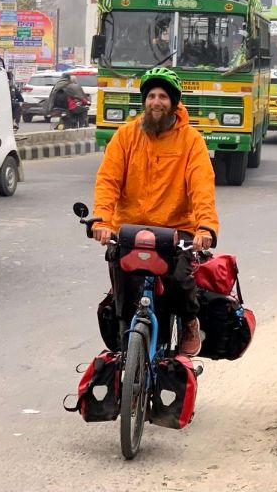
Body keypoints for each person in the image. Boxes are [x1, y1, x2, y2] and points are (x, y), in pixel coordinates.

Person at [92, 67, 218, 357]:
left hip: (175, 229)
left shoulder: (191, 141)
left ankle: (188, 322)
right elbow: (108, 180)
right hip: (130, 230)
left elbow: (201, 186)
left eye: (163, 96)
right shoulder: (125, 137)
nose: (156, 102)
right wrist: (102, 221)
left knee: (179, 278)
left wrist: (205, 228)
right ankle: (127, 346)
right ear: (144, 101)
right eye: (151, 96)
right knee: (120, 281)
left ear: (174, 103)